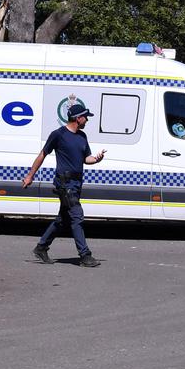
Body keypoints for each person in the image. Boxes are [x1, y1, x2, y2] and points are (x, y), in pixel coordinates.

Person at [22, 103, 107, 267]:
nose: (87, 120)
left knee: (63, 219)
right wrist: (30, 175)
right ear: (78, 118)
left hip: (76, 184)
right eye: (86, 117)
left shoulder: (82, 136)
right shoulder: (58, 135)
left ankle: (41, 248)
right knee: (77, 216)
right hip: (64, 183)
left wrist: (96, 159)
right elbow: (42, 155)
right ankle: (85, 255)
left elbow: (86, 158)